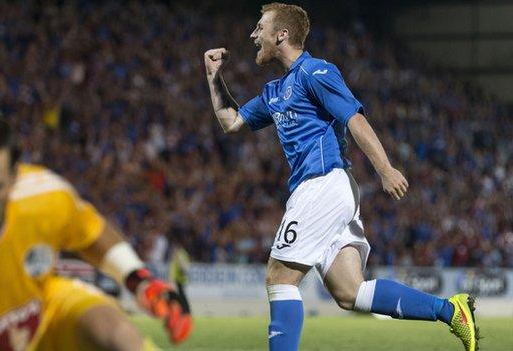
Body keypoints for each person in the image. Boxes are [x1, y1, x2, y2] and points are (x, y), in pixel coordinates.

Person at [204, 2, 478, 351]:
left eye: (260, 27)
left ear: (282, 34)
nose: (253, 35)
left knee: (279, 277)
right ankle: (450, 310)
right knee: (351, 293)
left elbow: (355, 119)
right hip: (326, 190)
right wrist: (214, 77)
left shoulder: (315, 72)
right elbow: (232, 122)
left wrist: (385, 168)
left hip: (323, 183)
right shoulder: (275, 90)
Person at [0, 109, 192, 350]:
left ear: (13, 177)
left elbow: (91, 233)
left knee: (116, 334)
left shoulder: (44, 197)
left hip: (46, 317)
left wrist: (140, 281)